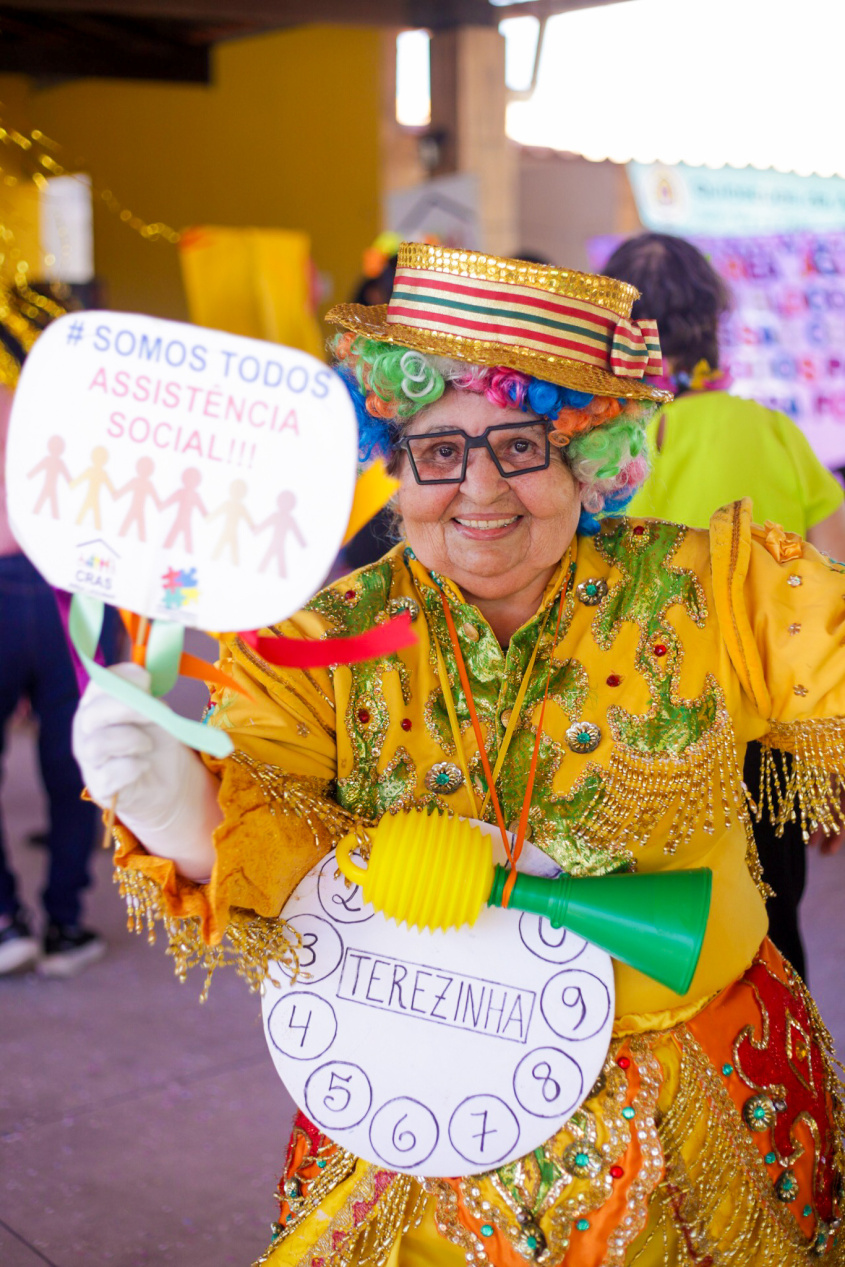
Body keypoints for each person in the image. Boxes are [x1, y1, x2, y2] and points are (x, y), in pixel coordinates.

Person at [73, 244, 845, 1265]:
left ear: (587, 453)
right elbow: (259, 822)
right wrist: (176, 808)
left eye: (519, 445)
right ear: (398, 462)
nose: (479, 489)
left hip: (704, 1126)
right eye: (440, 450)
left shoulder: (714, 583)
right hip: (407, 1136)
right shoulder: (322, 640)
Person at [604, 232, 845, 979]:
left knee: (640, 945)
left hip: (631, 743)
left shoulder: (600, 444)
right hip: (765, 745)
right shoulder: (773, 432)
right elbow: (832, 589)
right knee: (773, 933)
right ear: (712, 321)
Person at [0, 387, 105, 976]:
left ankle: (5, 921)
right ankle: (64, 923)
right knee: (77, 759)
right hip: (72, 580)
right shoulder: (66, 389)